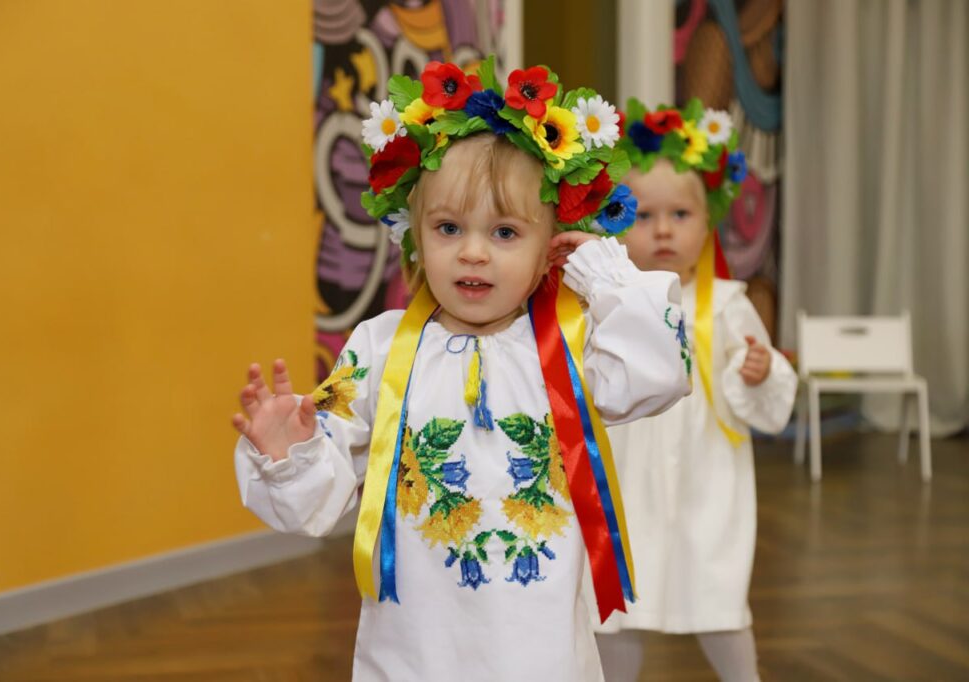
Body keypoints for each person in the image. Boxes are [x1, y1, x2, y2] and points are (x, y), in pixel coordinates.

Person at [231, 58, 691, 681]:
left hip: (539, 652)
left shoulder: (572, 343)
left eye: (504, 232)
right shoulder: (378, 347)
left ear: (549, 248)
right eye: (449, 227)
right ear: (417, 237)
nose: (472, 251)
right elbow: (318, 503)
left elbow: (661, 370)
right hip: (415, 651)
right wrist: (292, 453)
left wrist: (603, 275)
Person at [592, 99, 797, 682]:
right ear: (615, 219)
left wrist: (757, 371)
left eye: (680, 214)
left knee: (715, 589)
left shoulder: (729, 305)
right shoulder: (603, 304)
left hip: (706, 479)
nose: (663, 230)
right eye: (643, 215)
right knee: (621, 601)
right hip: (628, 474)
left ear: (707, 224)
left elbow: (769, 397)